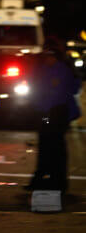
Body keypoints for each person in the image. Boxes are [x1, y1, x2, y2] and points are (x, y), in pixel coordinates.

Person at [26, 37, 82, 191]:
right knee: (47, 143)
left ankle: (55, 180)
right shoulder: (48, 69)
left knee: (54, 145)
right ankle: (49, 178)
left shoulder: (60, 70)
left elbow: (64, 91)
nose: (47, 58)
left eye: (49, 55)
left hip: (56, 113)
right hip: (47, 113)